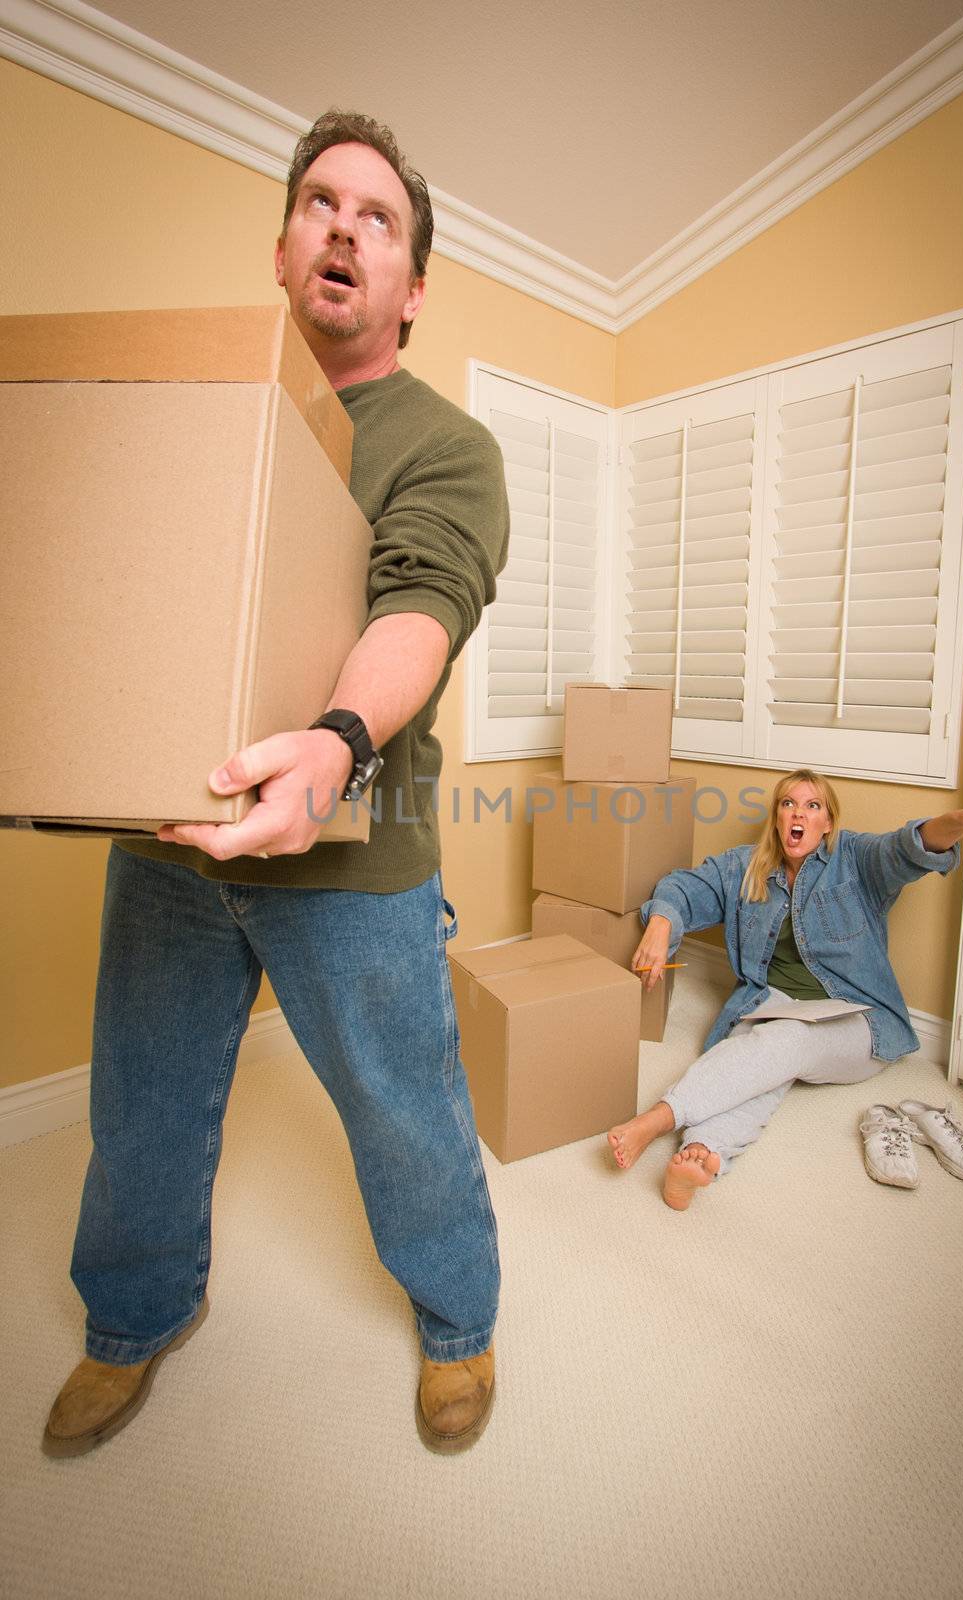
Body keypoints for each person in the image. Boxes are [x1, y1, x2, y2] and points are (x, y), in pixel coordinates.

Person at [44, 112, 508, 1457]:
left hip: (351, 866)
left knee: (404, 1111)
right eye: (319, 204)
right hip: (170, 844)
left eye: (377, 217)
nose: (343, 227)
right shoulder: (199, 414)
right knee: (140, 1103)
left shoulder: (444, 445)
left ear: (411, 289)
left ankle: (457, 1323)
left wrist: (334, 747)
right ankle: (130, 1324)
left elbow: (421, 602)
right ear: (283, 246)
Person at [608, 769, 963, 1209]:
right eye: (788, 804)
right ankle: (704, 1152)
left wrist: (961, 819)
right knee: (764, 1059)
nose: (797, 814)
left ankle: (656, 1119)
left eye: (812, 805)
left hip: (857, 1018)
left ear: (827, 822)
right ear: (776, 818)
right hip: (771, 1004)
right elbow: (683, 888)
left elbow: (908, 847)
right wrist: (661, 924)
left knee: (786, 1040)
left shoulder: (856, 860)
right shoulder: (743, 867)